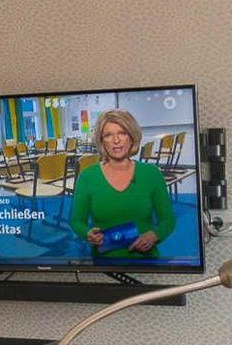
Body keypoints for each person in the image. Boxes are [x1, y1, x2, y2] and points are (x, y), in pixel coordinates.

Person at [68, 109, 176, 258]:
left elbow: (168, 220)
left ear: (131, 137)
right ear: (101, 141)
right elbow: (76, 221)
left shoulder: (152, 173)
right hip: (104, 265)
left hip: (146, 263)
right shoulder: (87, 177)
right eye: (108, 135)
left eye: (122, 133)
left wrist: (154, 235)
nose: (116, 140)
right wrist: (87, 234)